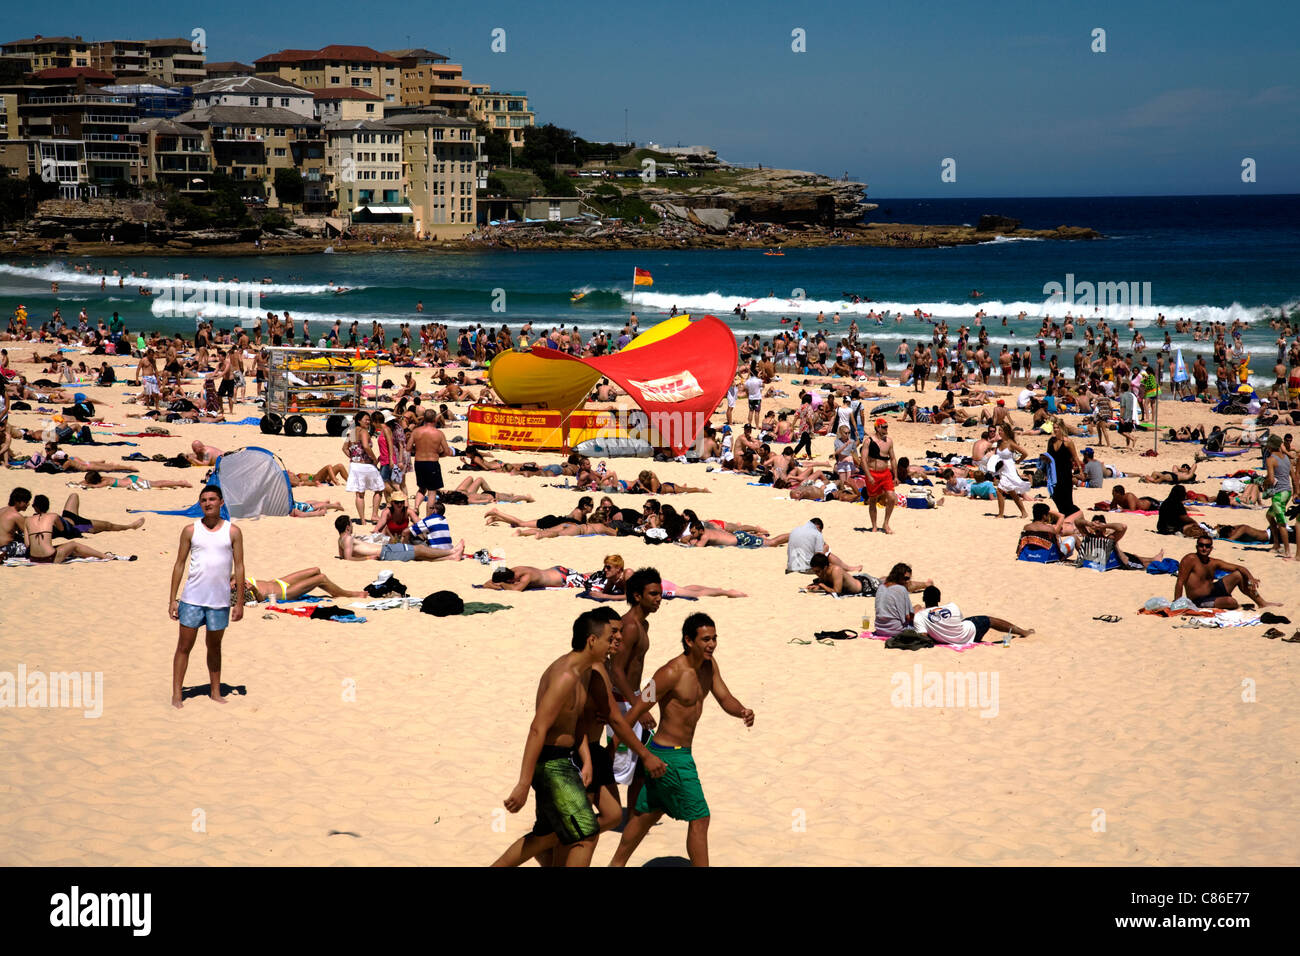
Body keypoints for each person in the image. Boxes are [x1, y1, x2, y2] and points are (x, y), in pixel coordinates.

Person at [495, 611, 666, 867]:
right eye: (610, 637)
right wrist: (523, 783)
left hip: (566, 759)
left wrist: (586, 759)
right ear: (591, 641)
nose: (615, 642)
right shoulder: (566, 676)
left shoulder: (584, 671)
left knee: (549, 836)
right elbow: (537, 729)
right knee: (584, 835)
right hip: (553, 763)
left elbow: (576, 724)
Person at [608, 612, 755, 867]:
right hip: (670, 756)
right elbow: (637, 709)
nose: (712, 644)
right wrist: (613, 748)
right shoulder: (669, 672)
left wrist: (741, 710)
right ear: (689, 640)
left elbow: (724, 697)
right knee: (700, 817)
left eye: (714, 639)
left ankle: (615, 865)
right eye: (706, 639)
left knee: (646, 814)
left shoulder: (710, 666)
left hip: (677, 753)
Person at [169, 485, 245, 708]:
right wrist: (172, 599)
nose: (208, 503)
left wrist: (239, 602)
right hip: (192, 598)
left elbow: (239, 567)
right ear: (199, 503)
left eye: (212, 499)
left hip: (219, 600)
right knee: (184, 646)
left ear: (221, 502)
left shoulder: (233, 531)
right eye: (203, 500)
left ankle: (215, 691)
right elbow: (179, 564)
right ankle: (176, 693)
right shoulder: (190, 530)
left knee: (214, 646)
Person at [1174, 536, 1280, 610]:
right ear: (1197, 547)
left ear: (1211, 548)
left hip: (1213, 590)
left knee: (1239, 575)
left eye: (1207, 546)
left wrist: (1250, 578)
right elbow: (1180, 582)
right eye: (1201, 545)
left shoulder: (1213, 562)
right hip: (1199, 600)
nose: (1204, 548)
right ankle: (1219, 601)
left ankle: (1262, 603)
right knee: (1232, 602)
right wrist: (1177, 604)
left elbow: (1239, 567)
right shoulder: (1190, 559)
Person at [914, 585, 1034, 646]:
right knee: (989, 620)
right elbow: (959, 621)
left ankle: (1022, 632)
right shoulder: (952, 606)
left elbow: (923, 637)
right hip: (970, 633)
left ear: (923, 598)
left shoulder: (920, 616)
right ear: (939, 598)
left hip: (952, 639)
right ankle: (1023, 632)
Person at [21, 495, 122, 563]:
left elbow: (27, 544)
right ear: (47, 506)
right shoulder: (53, 516)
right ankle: (104, 556)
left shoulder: (27, 520)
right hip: (50, 557)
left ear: (35, 507)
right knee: (74, 545)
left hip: (33, 558)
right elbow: (62, 529)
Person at [334, 515, 464, 561]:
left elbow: (343, 556)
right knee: (418, 549)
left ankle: (450, 558)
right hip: (386, 552)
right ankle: (451, 552)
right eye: (351, 524)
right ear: (347, 527)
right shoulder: (347, 539)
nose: (352, 526)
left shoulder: (341, 540)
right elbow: (348, 559)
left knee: (418, 557)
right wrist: (368, 558)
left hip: (386, 551)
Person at [409, 408, 452, 517]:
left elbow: (408, 448)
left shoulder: (416, 431)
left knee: (421, 488)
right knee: (432, 491)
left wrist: (418, 450)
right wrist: (438, 455)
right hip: (432, 463)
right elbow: (447, 452)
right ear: (434, 419)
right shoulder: (438, 433)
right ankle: (428, 517)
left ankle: (416, 507)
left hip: (419, 462)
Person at [344, 411, 385, 523]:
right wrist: (374, 459)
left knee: (359, 494)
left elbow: (344, 448)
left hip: (354, 466)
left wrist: (354, 457)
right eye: (366, 419)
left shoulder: (351, 432)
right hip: (366, 465)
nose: (368, 422)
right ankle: (374, 515)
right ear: (359, 420)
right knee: (379, 489)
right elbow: (366, 447)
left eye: (369, 420)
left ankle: (362, 520)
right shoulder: (364, 432)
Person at [784, 517, 861, 573]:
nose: (821, 533)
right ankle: (849, 568)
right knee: (827, 550)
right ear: (818, 527)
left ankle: (848, 568)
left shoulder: (795, 530)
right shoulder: (817, 534)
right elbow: (819, 556)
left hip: (792, 567)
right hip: (806, 568)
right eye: (821, 531)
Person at [862, 418, 897, 533]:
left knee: (892, 498)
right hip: (872, 473)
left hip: (885, 473)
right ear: (878, 428)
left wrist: (895, 476)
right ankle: (874, 525)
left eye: (887, 426)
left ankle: (886, 523)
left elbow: (892, 459)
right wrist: (869, 475)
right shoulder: (868, 441)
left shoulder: (889, 441)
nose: (887, 429)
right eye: (884, 426)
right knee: (872, 499)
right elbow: (863, 460)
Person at [1263, 434, 1293, 560]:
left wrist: (1263, 483)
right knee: (1269, 516)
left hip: (1279, 494)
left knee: (1281, 522)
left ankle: (1287, 551)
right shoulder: (1286, 458)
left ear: (1270, 446)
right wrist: (1296, 491)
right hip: (1287, 492)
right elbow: (1294, 477)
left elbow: (1270, 479)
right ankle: (1276, 544)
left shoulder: (1270, 459)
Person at [872, 563, 916, 638]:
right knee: (918, 609)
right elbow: (908, 617)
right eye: (906, 578)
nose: (908, 581)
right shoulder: (901, 589)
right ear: (898, 576)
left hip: (879, 629)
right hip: (896, 630)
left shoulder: (881, 587)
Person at [482, 565, 590, 590]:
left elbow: (516, 590)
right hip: (557, 570)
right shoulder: (512, 571)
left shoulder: (526, 575)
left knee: (590, 579)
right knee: (584, 575)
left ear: (509, 580)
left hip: (564, 577)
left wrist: (501, 585)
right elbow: (487, 583)